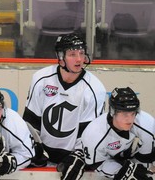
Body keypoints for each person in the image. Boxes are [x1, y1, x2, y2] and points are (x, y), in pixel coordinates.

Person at [22, 32, 106, 179]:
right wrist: (33, 149)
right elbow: (31, 122)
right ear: (60, 57)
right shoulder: (41, 79)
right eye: (72, 54)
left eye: (81, 53)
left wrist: (79, 157)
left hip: (73, 160)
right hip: (43, 156)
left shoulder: (95, 88)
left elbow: (89, 133)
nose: (79, 59)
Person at [82, 87, 155, 180]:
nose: (130, 119)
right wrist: (122, 172)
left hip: (133, 157)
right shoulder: (93, 133)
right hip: (107, 161)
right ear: (112, 112)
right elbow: (97, 163)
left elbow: (147, 157)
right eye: (125, 114)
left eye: (133, 113)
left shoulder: (147, 124)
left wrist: (143, 171)